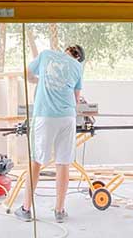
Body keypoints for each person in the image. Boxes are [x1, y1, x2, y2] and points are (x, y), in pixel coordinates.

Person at [15, 44, 86, 224]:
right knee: (63, 163)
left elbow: (27, 74)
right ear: (78, 58)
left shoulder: (46, 55)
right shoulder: (78, 67)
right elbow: (76, 99)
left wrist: (39, 80)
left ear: (67, 51)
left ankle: (26, 209)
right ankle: (60, 211)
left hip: (45, 116)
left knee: (37, 161)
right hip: (67, 118)